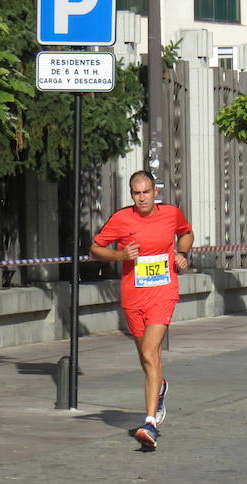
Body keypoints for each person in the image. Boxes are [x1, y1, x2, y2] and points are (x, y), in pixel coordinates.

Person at [89, 171, 194, 449]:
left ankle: (150, 423)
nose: (142, 197)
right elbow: (95, 249)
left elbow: (186, 233)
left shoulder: (171, 213)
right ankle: (159, 388)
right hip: (133, 297)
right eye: (137, 193)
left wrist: (182, 254)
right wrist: (120, 256)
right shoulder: (122, 219)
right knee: (147, 358)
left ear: (155, 192)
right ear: (132, 195)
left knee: (150, 352)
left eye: (146, 191)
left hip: (163, 293)